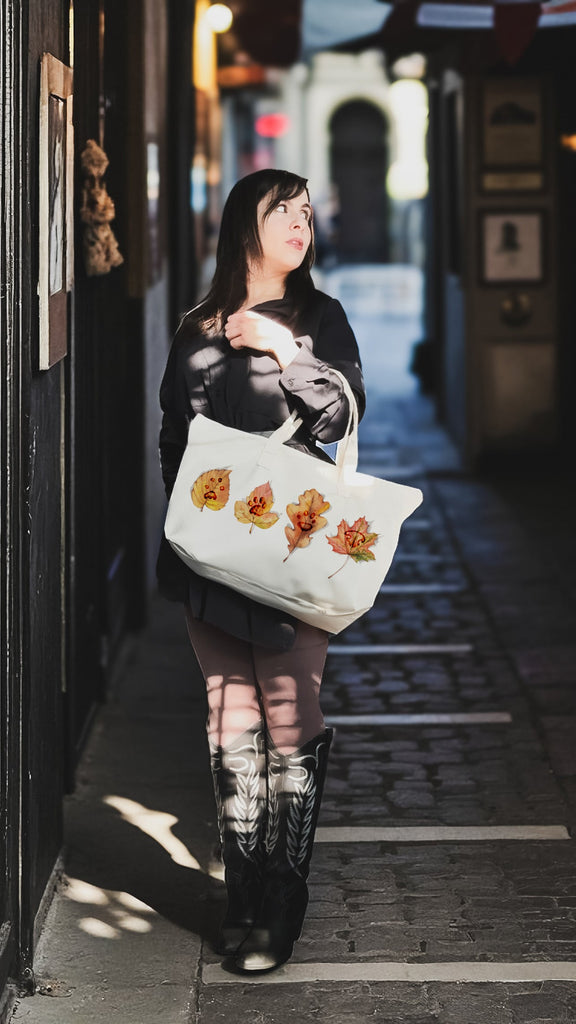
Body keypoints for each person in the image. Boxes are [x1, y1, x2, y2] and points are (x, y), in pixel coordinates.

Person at [157, 168, 365, 973]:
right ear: (246, 219)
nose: (300, 222)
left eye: (308, 212)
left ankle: (284, 894)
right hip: (209, 550)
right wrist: (177, 538)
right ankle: (242, 889)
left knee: (289, 712)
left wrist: (284, 349)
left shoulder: (322, 317)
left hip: (294, 545)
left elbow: (341, 413)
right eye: (285, 208)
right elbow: (173, 440)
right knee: (228, 718)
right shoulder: (197, 327)